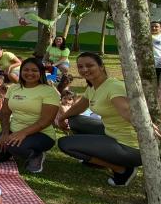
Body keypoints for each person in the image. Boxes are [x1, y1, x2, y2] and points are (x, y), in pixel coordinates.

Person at [57, 52, 141, 187]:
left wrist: (144, 126)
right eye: (80, 66)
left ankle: (123, 170)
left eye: (90, 65)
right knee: (75, 121)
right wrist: (62, 118)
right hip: (111, 132)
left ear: (101, 67)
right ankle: (96, 158)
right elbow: (80, 105)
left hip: (130, 147)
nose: (84, 69)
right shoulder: (94, 87)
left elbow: (125, 110)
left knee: (65, 144)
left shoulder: (114, 86)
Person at [0, 57, 58, 174]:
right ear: (21, 71)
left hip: (42, 134)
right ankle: (13, 150)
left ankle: (36, 154)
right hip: (13, 131)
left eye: (34, 70)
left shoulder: (49, 91)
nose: (30, 73)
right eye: (26, 70)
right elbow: (5, 113)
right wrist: (5, 133)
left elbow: (46, 120)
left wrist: (22, 133)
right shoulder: (14, 88)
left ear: (41, 72)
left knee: (12, 145)